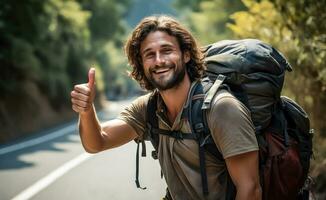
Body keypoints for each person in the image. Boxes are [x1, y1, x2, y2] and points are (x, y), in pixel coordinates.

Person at [70, 15, 261, 200]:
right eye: (150, 54)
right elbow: (97, 143)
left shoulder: (221, 108)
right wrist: (86, 111)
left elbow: (250, 189)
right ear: (142, 63)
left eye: (167, 50)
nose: (159, 60)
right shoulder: (148, 108)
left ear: (186, 55)